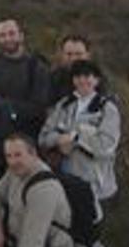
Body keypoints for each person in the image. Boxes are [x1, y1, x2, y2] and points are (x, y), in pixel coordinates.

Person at [39, 60, 120, 203]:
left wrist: (75, 138)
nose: (82, 80)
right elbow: (44, 137)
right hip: (65, 183)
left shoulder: (107, 109)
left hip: (96, 188)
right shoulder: (64, 105)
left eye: (88, 76)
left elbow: (106, 145)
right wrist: (58, 140)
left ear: (97, 80)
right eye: (78, 76)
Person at [0, 19, 51, 138]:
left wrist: (7, 107)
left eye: (11, 34)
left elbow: (40, 107)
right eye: (2, 35)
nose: (7, 39)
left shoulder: (36, 67)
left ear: (21, 36)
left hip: (23, 136)